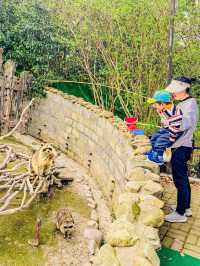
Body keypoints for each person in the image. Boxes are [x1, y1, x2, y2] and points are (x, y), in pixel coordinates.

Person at [164, 77, 199, 223]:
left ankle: (180, 214)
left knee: (181, 180)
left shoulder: (190, 104)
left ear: (183, 89)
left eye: (174, 92)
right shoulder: (184, 103)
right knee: (181, 179)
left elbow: (181, 125)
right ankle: (186, 208)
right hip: (179, 146)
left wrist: (166, 111)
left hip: (182, 147)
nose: (173, 94)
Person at [146, 90, 183, 165]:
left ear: (162, 104)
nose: (154, 107)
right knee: (154, 137)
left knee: (160, 141)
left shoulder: (175, 116)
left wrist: (170, 141)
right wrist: (154, 104)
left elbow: (174, 130)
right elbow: (159, 106)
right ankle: (153, 152)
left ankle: (158, 157)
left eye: (155, 105)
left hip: (175, 131)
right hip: (167, 127)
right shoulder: (164, 107)